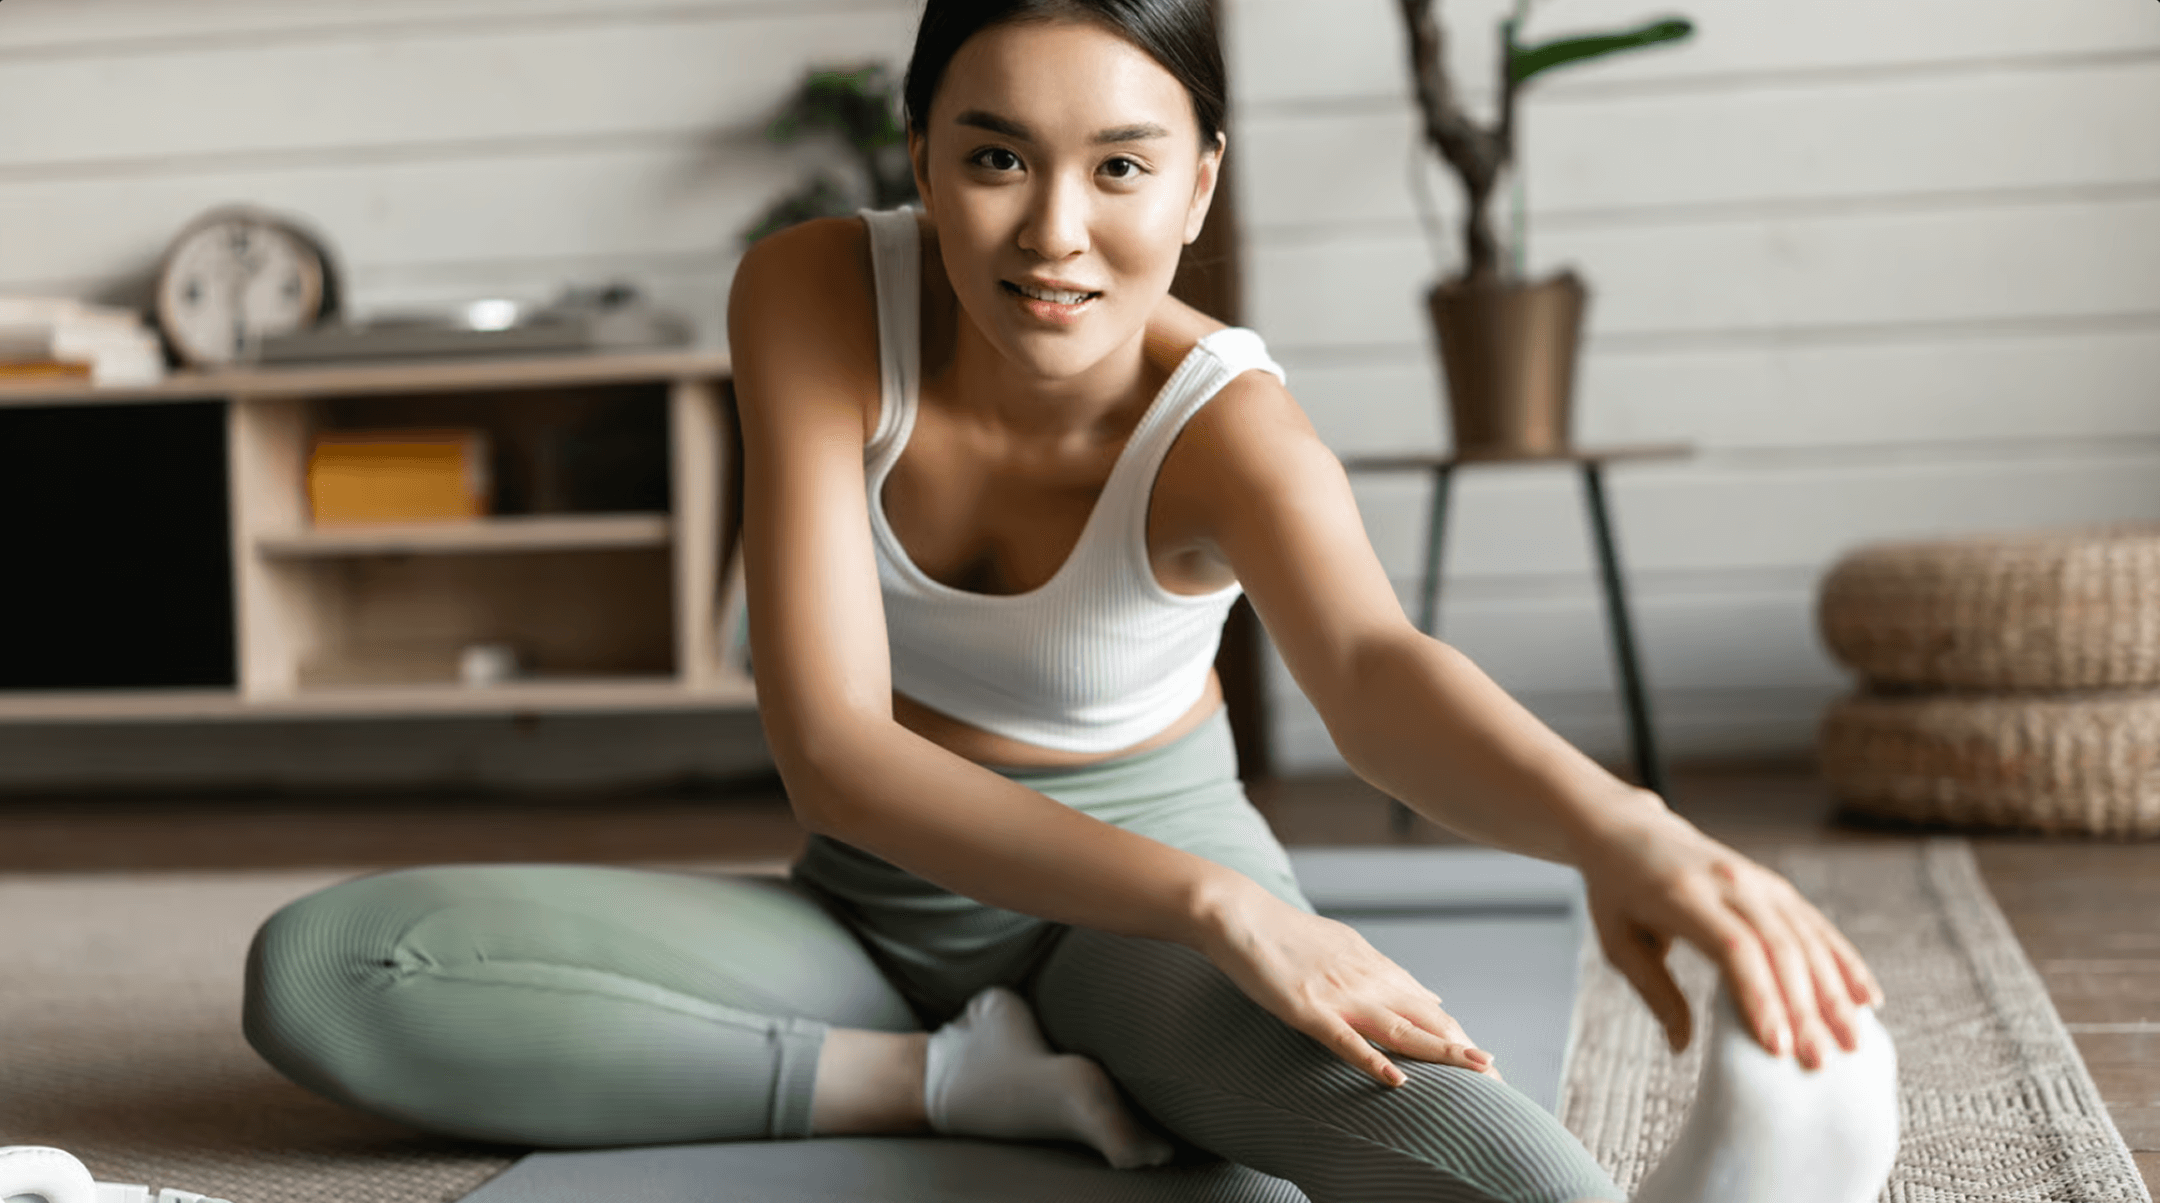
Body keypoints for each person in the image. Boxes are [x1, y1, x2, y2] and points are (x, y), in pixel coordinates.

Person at [242, 2, 1901, 1200]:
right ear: (921, 158)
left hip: (1144, 914)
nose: (1054, 233)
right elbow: (833, 752)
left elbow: (1378, 670)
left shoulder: (1233, 427)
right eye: (995, 158)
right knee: (330, 972)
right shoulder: (817, 295)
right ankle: (968, 1087)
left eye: (1121, 166)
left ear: (1198, 184)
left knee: (1458, 1158)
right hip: (871, 913)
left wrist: (1630, 834)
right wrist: (1209, 917)